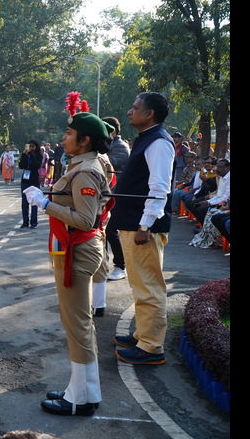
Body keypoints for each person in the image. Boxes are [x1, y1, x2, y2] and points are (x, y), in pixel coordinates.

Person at [21, 96, 112, 416]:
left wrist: (44, 204)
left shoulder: (85, 170)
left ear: (84, 140)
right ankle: (82, 389)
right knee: (78, 323)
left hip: (76, 249)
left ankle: (81, 398)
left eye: (69, 134)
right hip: (75, 247)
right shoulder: (90, 162)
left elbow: (86, 219)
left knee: (77, 324)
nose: (64, 138)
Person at [110, 91, 176, 366]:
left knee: (149, 286)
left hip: (143, 226)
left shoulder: (159, 142)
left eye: (135, 107)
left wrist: (145, 224)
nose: (129, 111)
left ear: (149, 114)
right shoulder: (148, 138)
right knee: (140, 283)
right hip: (134, 222)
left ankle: (151, 347)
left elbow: (160, 188)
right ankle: (142, 334)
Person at [102, 117, 131, 282]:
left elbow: (109, 165)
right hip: (106, 193)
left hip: (115, 194)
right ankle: (103, 264)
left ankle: (120, 266)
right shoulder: (111, 145)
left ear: (112, 130)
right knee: (104, 231)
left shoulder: (120, 147)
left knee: (111, 230)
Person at [16, 141, 45, 228]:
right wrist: (24, 155)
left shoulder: (39, 155)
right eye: (29, 146)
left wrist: (31, 154)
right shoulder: (26, 154)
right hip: (25, 180)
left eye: (33, 147)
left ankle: (33, 222)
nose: (31, 148)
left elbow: (36, 165)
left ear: (36, 147)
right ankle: (25, 222)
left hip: (34, 180)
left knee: (34, 202)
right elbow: (21, 166)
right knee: (24, 203)